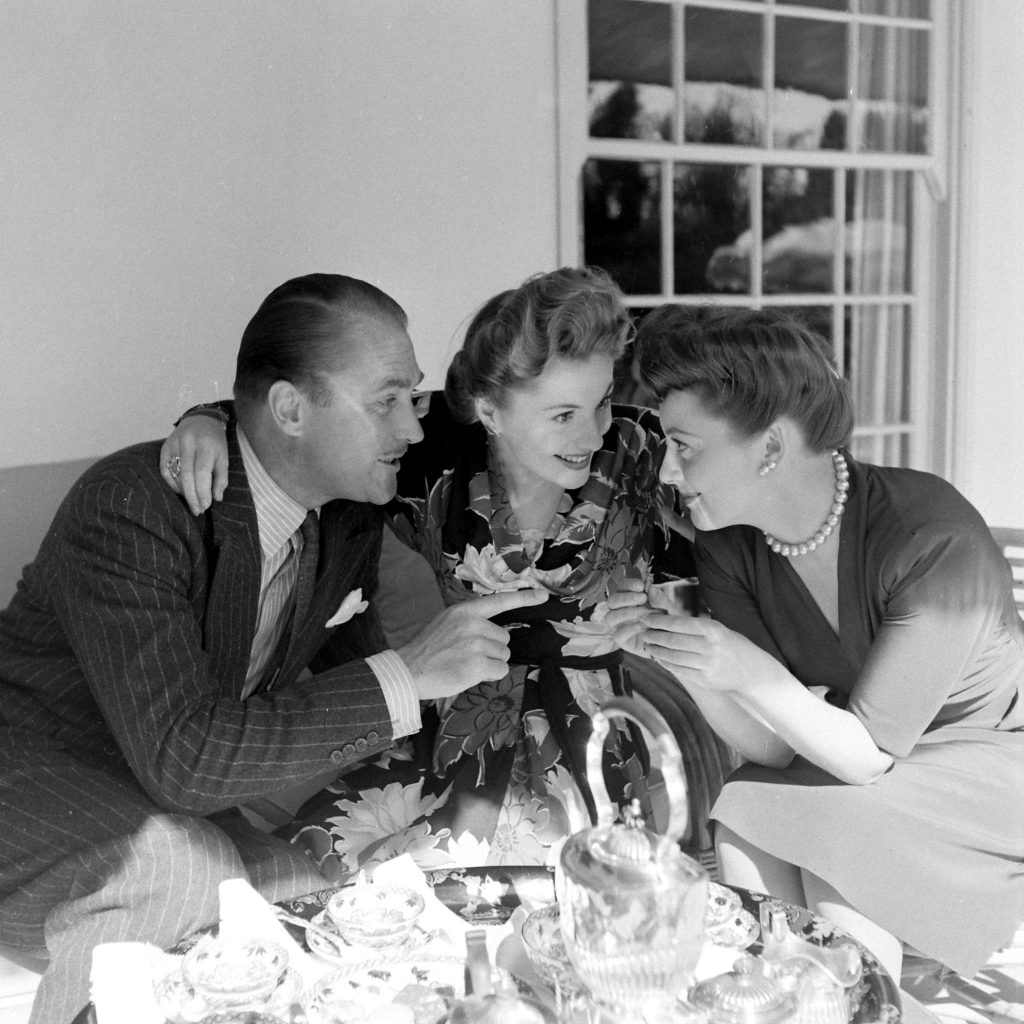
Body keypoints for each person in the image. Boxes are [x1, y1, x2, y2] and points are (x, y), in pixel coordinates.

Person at [0, 272, 546, 1024]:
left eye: (411, 397)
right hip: (30, 780)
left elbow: (357, 689)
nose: (411, 427)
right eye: (386, 399)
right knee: (176, 875)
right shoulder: (132, 508)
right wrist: (410, 671)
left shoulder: (348, 512)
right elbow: (186, 760)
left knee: (308, 894)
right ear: (290, 409)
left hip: (149, 791)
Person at [159, 266, 721, 882]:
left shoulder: (641, 447)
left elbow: (720, 549)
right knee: (337, 875)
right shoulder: (432, 447)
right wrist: (205, 419)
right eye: (562, 415)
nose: (592, 432)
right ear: (489, 410)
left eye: (603, 401)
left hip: (596, 740)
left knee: (569, 893)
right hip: (457, 727)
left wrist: (658, 611)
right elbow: (307, 421)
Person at [604, 303, 1024, 982]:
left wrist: (750, 670)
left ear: (770, 447)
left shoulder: (931, 540)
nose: (669, 474)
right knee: (747, 809)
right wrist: (687, 657)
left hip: (982, 764)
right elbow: (772, 745)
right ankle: (787, 997)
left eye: (685, 447)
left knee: (844, 848)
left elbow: (865, 759)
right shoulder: (727, 540)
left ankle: (859, 998)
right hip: (854, 762)